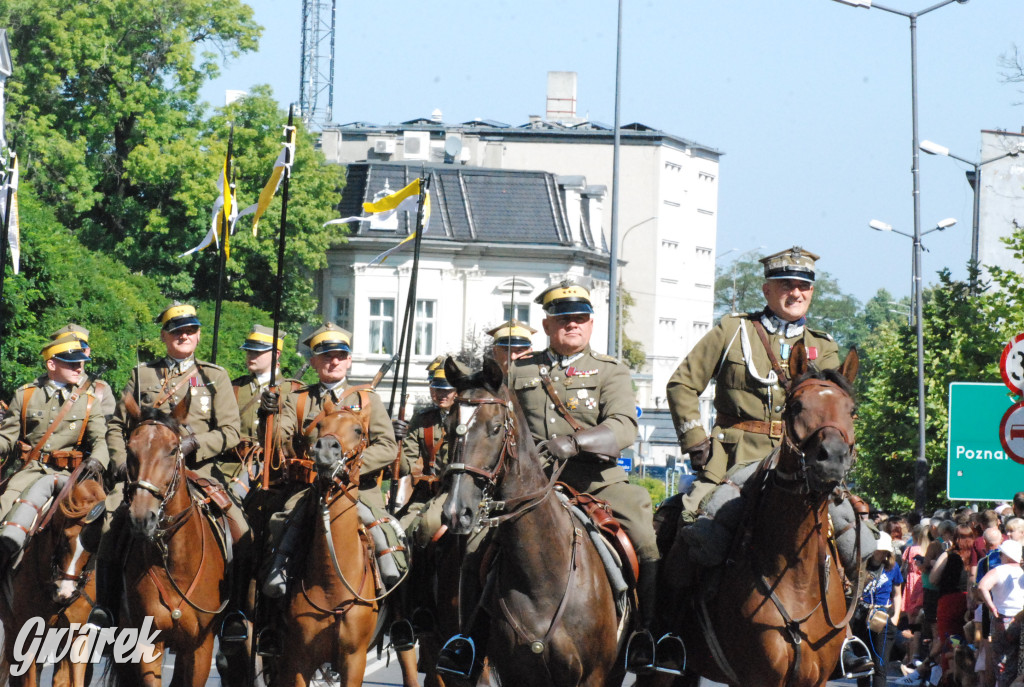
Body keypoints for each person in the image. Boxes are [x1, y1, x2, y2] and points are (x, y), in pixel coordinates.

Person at [438, 280, 664, 676]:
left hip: (598, 483)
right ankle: (469, 641)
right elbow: (494, 419)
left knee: (644, 535)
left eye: (579, 318)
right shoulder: (520, 370)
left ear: (591, 324)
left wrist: (575, 443)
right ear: (546, 325)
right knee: (476, 548)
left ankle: (649, 635)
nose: (571, 325)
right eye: (563, 319)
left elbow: (624, 426)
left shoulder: (611, 371)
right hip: (533, 486)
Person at [90, 303, 249, 647]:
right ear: (164, 336)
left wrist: (194, 444)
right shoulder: (142, 374)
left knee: (240, 526)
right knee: (109, 523)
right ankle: (106, 607)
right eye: (177, 331)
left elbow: (231, 431)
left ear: (198, 335)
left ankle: (234, 613)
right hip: (147, 474)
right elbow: (117, 426)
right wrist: (121, 461)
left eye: (190, 330)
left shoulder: (214, 376)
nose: (184, 336)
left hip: (198, 473)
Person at [666, 246, 840, 522]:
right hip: (731, 460)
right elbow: (681, 384)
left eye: (803, 286)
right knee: (693, 526)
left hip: (797, 466)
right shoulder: (733, 332)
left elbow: (832, 411)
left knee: (854, 536)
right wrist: (696, 442)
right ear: (766, 290)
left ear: (811, 292)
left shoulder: (824, 347)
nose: (796, 293)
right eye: (786, 285)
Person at [260, 323, 399, 597]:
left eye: (339, 355)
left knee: (386, 536)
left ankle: (397, 614)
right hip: (309, 489)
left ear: (348, 360)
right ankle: (270, 611)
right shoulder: (297, 400)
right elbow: (279, 442)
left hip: (357, 489)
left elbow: (387, 447)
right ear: (313, 362)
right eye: (325, 356)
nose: (333, 361)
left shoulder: (367, 399)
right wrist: (269, 416)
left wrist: (350, 469)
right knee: (281, 525)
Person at [0, 337, 109, 570]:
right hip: (30, 473)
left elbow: (101, 439)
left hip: (72, 476)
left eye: (81, 363)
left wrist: (97, 461)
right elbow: (7, 438)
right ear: (51, 365)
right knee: (4, 510)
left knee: (104, 527)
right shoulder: (26, 396)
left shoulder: (88, 402)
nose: (79, 368)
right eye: (72, 363)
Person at [853, 532, 904, 687]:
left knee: (880, 664)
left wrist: (895, 617)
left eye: (884, 551)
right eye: (879, 550)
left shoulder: (892, 568)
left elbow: (897, 594)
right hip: (862, 614)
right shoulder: (861, 566)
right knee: (863, 663)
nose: (881, 553)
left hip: (883, 615)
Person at [978, 540, 1024, 686]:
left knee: (1002, 663)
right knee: (1019, 663)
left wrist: (991, 605)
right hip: (1021, 618)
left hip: (1002, 618)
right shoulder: (1022, 571)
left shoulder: (998, 571)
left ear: (1007, 556)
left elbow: (982, 586)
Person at [49, 323, 116, 420]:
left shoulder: (99, 390)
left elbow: (108, 430)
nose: (77, 358)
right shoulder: (37, 389)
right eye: (69, 351)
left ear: (87, 352)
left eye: (81, 350)